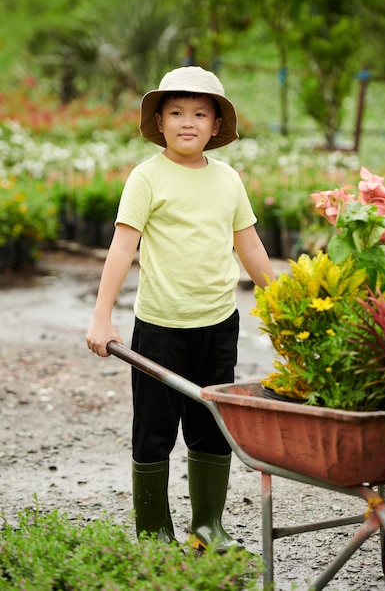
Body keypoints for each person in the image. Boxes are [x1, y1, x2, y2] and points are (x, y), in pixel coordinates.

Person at [86, 65, 275, 551]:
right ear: (160, 121)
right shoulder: (146, 177)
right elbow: (122, 247)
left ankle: (207, 526)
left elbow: (249, 245)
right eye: (175, 112)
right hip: (160, 327)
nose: (187, 121)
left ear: (215, 126)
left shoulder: (228, 179)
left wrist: (280, 297)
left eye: (199, 113)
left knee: (212, 426)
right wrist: (102, 315)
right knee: (153, 430)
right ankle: (153, 532)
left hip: (217, 325)